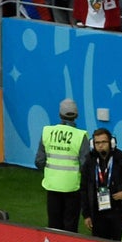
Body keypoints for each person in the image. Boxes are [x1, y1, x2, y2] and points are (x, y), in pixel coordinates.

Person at [34, 98, 90, 232]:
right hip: (73, 187)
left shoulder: (47, 132)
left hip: (52, 185)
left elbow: (39, 161)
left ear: (60, 114)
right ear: (76, 115)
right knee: (70, 227)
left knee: (53, 225)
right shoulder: (80, 136)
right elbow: (85, 165)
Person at [80, 127, 122, 241]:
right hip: (97, 212)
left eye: (104, 142)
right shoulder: (90, 161)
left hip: (118, 212)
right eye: (97, 143)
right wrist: (86, 215)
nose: (100, 145)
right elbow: (84, 188)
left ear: (111, 142)